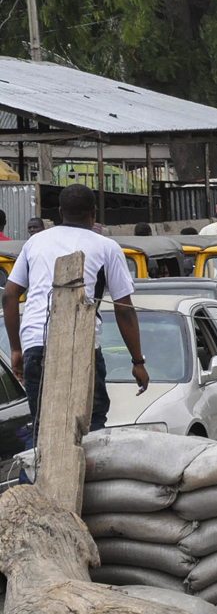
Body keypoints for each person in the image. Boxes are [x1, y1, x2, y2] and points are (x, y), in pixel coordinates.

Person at [3, 184, 148, 434]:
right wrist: (137, 361)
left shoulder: (35, 242)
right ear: (93, 214)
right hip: (82, 346)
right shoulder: (106, 247)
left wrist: (16, 348)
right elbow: (124, 309)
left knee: (44, 427)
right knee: (91, 425)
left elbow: (9, 296)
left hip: (36, 345)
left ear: (60, 212)